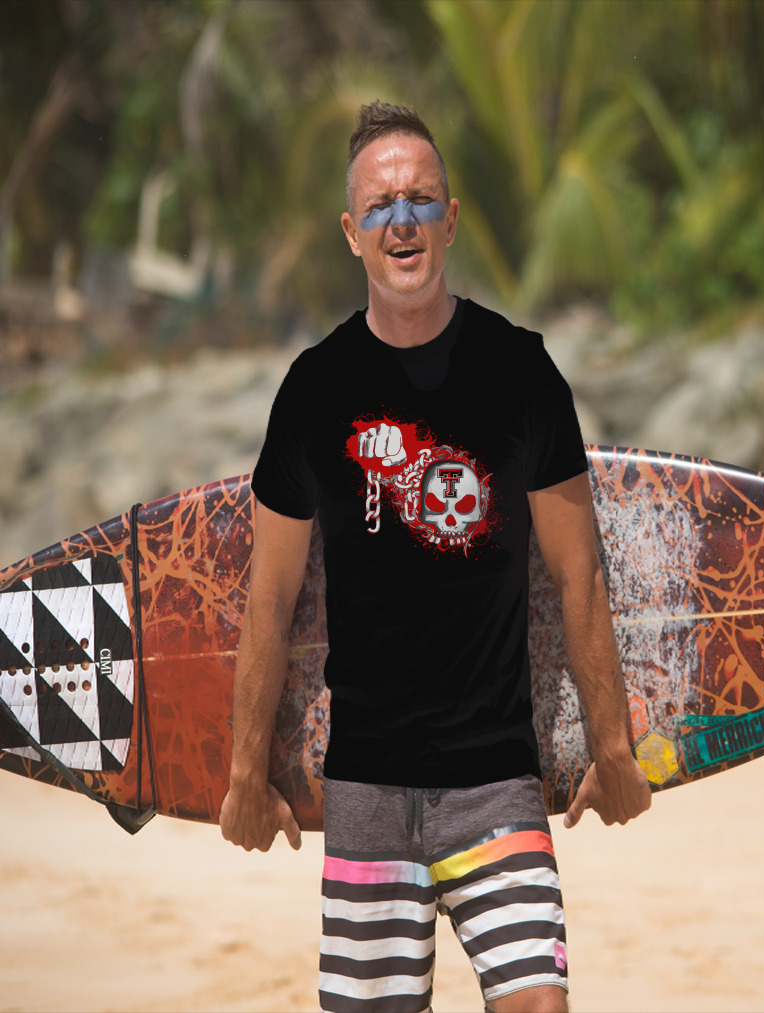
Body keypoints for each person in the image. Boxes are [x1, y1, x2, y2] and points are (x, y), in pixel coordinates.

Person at [220, 100, 651, 1013]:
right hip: (367, 787)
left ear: (451, 219)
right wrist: (242, 772)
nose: (402, 220)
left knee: (540, 1003)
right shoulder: (313, 390)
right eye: (380, 206)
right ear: (351, 233)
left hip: (496, 780)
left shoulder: (522, 372)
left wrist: (612, 746)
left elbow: (580, 575)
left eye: (421, 200)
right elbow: (270, 600)